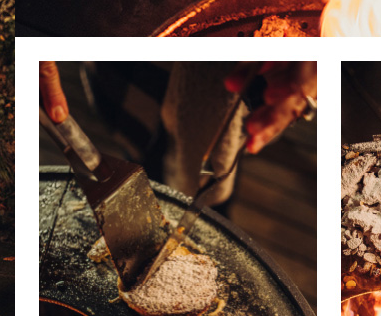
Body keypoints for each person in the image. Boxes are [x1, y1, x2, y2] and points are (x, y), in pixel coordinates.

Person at [40, 60, 317, 207]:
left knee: (211, 187)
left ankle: (207, 212)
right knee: (137, 150)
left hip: (227, 103)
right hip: (133, 77)